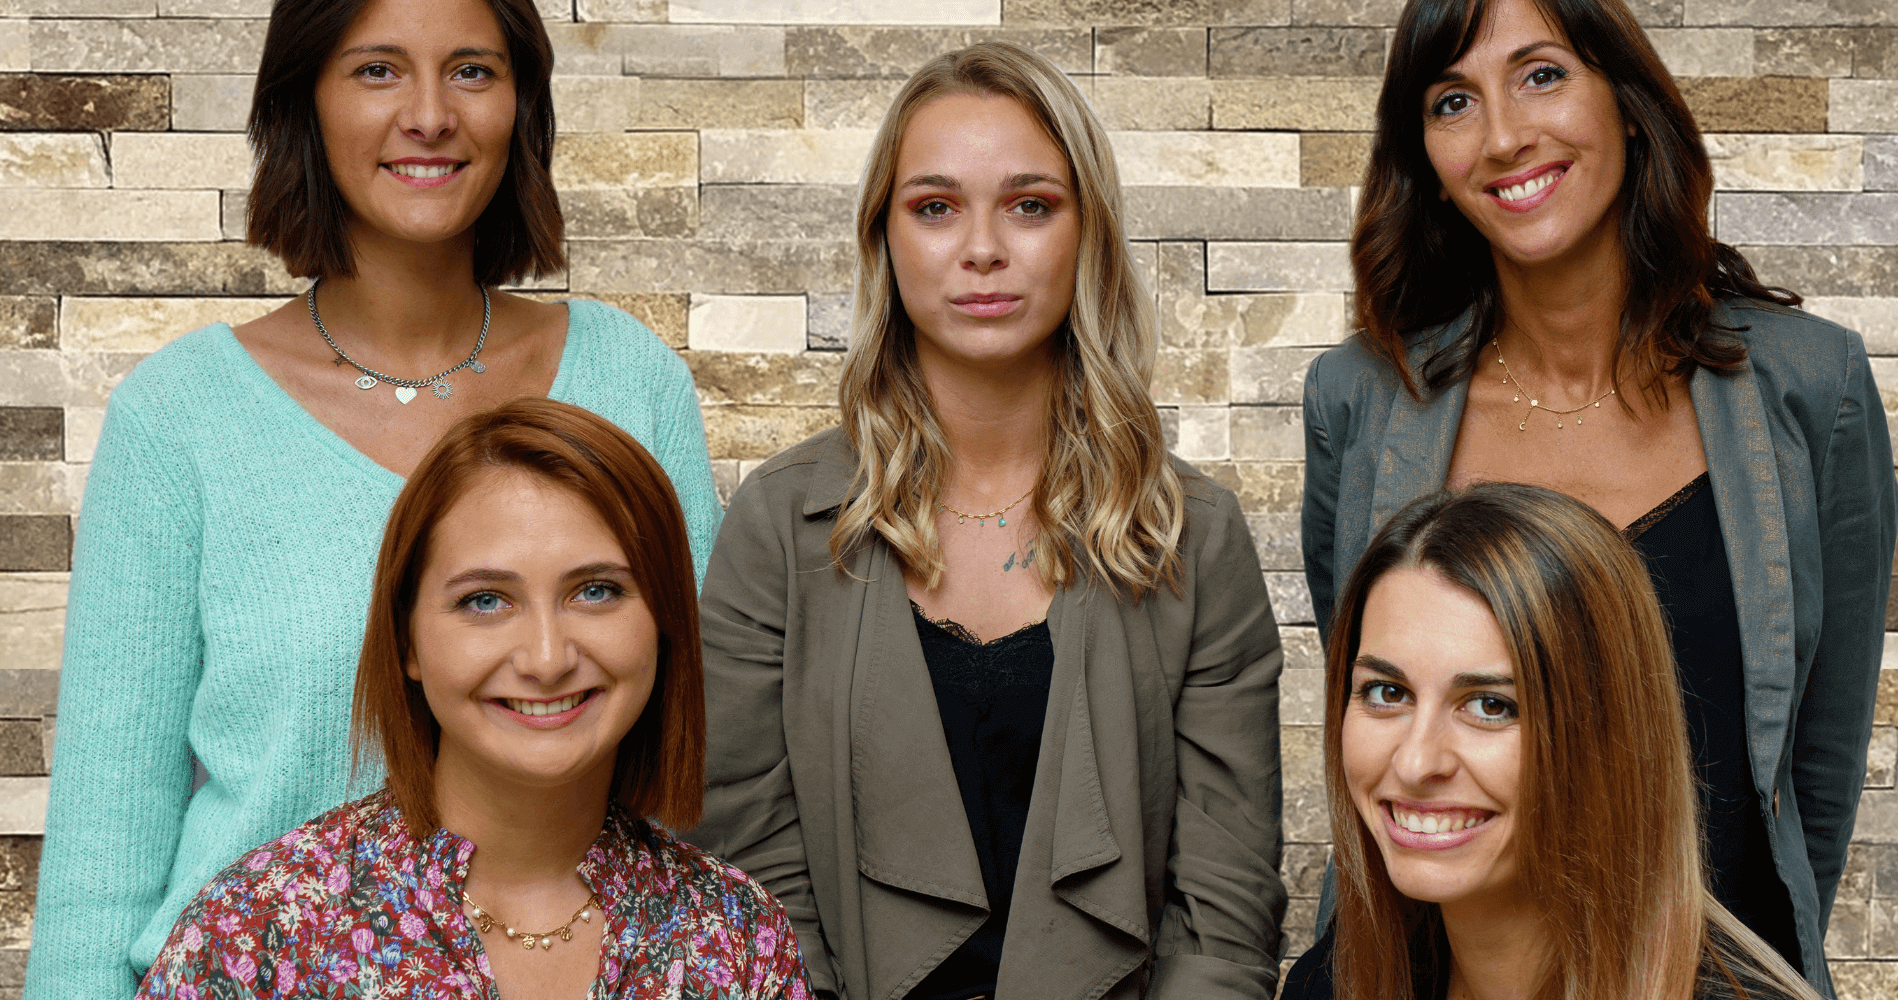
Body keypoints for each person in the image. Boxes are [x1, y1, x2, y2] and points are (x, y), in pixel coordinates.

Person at [26, 0, 720, 994]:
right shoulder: (177, 420)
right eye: (377, 70)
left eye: (472, 70)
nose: (430, 115)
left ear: (522, 105)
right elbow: (103, 855)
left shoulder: (630, 383)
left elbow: (693, 761)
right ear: (303, 101)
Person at [1299, 0, 1895, 991]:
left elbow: (1816, 767)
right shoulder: (1362, 397)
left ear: (1628, 102)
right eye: (1452, 100)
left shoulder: (1809, 384)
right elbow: (1387, 705)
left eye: (1542, 75)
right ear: (1425, 158)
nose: (1503, 136)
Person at [689, 40, 1283, 1000]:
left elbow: (1222, 910)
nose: (981, 249)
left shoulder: (1194, 536)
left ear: (1088, 232)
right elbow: (749, 875)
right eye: (935, 207)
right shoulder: (779, 524)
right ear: (884, 237)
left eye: (1030, 205)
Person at [133, 399, 807, 1000]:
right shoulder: (258, 930)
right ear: (407, 641)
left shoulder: (741, 938)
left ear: (663, 622)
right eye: (485, 601)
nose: (547, 658)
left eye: (596, 591)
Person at [1282, 484, 1822, 1000]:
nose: (1416, 761)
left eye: (1490, 705)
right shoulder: (1329, 983)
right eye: (1387, 692)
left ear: (1611, 734)